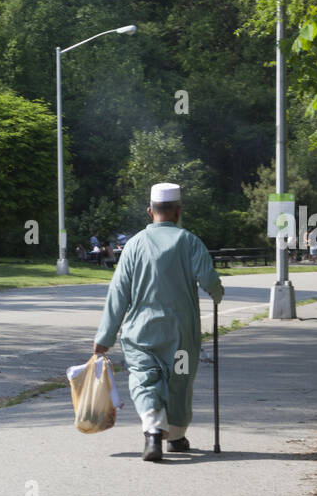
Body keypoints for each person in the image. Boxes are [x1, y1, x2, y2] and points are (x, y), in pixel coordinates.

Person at [93, 182, 224, 462]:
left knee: (143, 379)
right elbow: (210, 280)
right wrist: (217, 293)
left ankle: (152, 432)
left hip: (141, 334)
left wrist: (104, 338)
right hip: (181, 334)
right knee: (180, 380)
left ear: (150, 212)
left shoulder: (134, 245)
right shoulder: (190, 241)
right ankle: (175, 437)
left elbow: (118, 293)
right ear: (178, 211)